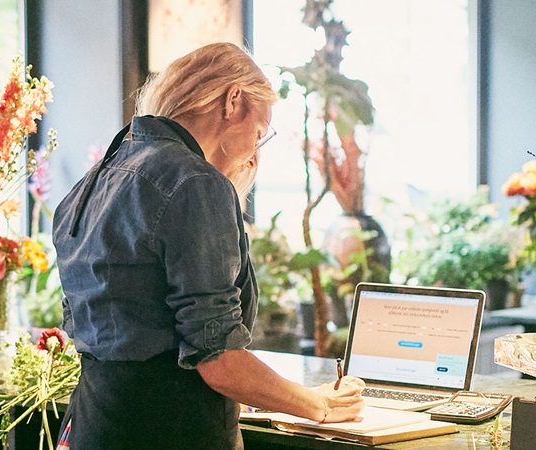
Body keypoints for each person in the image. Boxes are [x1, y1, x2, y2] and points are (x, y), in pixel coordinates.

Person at [52, 42, 365, 450]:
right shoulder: (195, 183)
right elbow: (218, 360)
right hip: (173, 433)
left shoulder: (94, 180)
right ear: (233, 100)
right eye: (258, 132)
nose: (255, 150)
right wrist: (318, 404)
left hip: (92, 427)